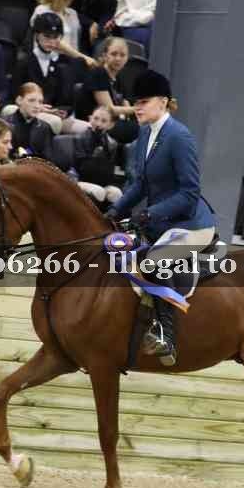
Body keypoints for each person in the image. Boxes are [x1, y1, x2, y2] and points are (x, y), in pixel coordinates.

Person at [105, 70, 216, 366]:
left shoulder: (179, 137)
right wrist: (115, 211)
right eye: (135, 102)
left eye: (143, 102)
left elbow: (190, 193)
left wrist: (149, 213)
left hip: (191, 224)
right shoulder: (145, 133)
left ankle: (166, 335)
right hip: (163, 223)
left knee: (153, 261)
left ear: (163, 102)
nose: (137, 108)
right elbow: (140, 184)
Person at [12, 12, 87, 135]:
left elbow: (68, 100)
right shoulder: (24, 62)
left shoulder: (65, 63)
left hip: (56, 115)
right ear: (37, 35)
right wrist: (37, 107)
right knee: (52, 123)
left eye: (56, 37)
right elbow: (15, 95)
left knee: (89, 129)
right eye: (47, 36)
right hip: (29, 113)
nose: (51, 42)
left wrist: (61, 111)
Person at [75, 36, 138, 143]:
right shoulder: (98, 73)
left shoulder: (119, 78)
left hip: (112, 122)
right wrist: (138, 109)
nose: (118, 59)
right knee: (141, 130)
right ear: (105, 56)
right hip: (96, 122)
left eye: (122, 55)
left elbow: (125, 104)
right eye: (114, 54)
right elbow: (109, 109)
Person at [31, 0, 97, 70]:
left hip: (68, 65)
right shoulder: (41, 11)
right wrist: (83, 58)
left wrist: (79, 63)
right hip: (45, 64)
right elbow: (54, 42)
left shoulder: (72, 14)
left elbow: (74, 46)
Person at [73, 104, 122, 208]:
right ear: (90, 118)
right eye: (96, 118)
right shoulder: (80, 138)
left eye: (104, 121)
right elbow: (81, 168)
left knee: (116, 193)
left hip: (103, 181)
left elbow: (115, 169)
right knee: (99, 192)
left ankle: (110, 217)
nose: (98, 124)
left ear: (111, 125)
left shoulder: (112, 144)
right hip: (81, 180)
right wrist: (96, 156)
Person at [5, 83, 54, 160]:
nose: (37, 106)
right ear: (19, 100)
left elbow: (48, 159)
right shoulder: (4, 125)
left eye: (40, 102)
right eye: (31, 100)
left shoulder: (44, 127)